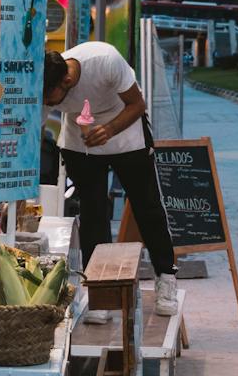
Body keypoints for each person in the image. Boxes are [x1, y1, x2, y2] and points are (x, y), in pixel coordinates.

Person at [43, 42, 179, 320]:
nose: (46, 101)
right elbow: (36, 123)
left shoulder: (104, 60)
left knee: (147, 208)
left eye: (50, 96)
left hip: (124, 128)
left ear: (67, 80)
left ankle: (166, 277)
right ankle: (99, 291)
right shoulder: (48, 76)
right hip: (80, 139)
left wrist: (109, 130)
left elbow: (137, 104)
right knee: (93, 213)